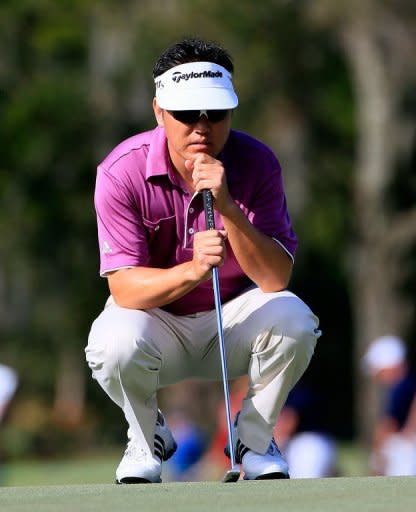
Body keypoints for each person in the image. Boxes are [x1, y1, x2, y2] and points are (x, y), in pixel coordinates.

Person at [85, 37, 321, 484]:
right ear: (159, 111)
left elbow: (275, 278)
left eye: (215, 113)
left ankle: (253, 440)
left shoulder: (258, 163)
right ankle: (145, 435)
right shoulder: (122, 172)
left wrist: (229, 206)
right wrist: (193, 270)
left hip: (233, 320)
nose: (201, 126)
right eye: (186, 114)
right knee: (110, 343)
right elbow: (124, 289)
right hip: (157, 324)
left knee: (296, 320)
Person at [362, 335, 416, 476]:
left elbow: (388, 426)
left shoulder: (402, 386)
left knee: (399, 447)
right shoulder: (406, 384)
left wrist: (377, 457)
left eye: (379, 371)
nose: (377, 377)